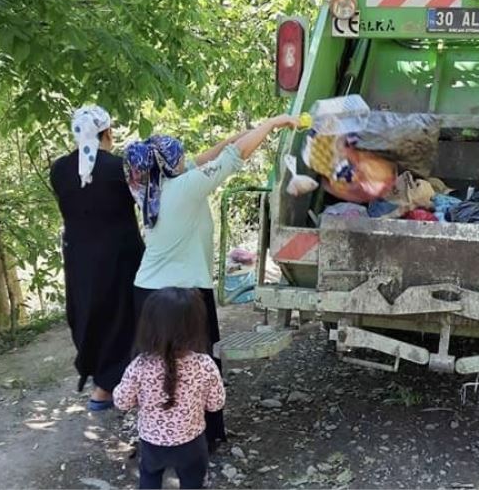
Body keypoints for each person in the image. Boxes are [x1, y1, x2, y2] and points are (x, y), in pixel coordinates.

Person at [124, 113, 297, 449]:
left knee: (154, 366)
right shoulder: (185, 188)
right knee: (197, 365)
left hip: (147, 293)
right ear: (171, 166)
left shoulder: (151, 186)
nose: (188, 160)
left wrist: (243, 131)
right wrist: (273, 123)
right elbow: (233, 157)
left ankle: (156, 435)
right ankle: (202, 436)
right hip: (183, 294)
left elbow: (207, 156)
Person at [50, 105, 145, 411]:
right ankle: (114, 386)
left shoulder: (60, 169)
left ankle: (101, 384)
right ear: (108, 132)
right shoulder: (119, 168)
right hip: (121, 256)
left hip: (79, 258)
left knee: (90, 315)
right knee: (125, 316)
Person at [113, 287, 225, 489]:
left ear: (148, 326)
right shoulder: (205, 364)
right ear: (195, 326)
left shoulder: (140, 365)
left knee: (149, 475)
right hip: (192, 443)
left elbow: (121, 402)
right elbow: (216, 404)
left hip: (152, 443)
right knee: (193, 481)